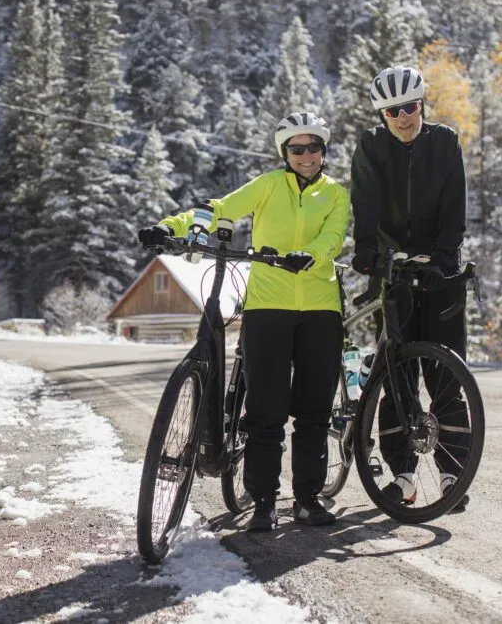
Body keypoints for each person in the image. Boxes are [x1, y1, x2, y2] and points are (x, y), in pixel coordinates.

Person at [138, 112, 350, 530]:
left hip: (321, 310)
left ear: (324, 152)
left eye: (313, 148)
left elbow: (334, 237)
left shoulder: (337, 195)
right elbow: (219, 210)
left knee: (313, 411)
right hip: (268, 307)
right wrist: (169, 226)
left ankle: (308, 498)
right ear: (284, 153)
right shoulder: (269, 186)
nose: (305, 155)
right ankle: (265, 500)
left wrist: (312, 254)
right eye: (296, 149)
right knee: (265, 411)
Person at [349, 65, 471, 510]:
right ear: (382, 115)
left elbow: (454, 210)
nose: (403, 117)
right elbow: (364, 203)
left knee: (445, 377)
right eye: (392, 111)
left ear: (422, 104)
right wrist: (369, 253)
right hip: (393, 271)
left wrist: (443, 259)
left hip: (440, 274)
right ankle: (403, 474)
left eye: (410, 106)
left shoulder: (445, 142)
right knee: (397, 375)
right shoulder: (372, 147)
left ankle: (452, 472)